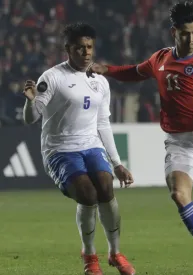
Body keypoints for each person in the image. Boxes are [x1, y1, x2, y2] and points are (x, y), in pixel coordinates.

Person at [85, 1, 193, 268]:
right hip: (179, 142)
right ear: (174, 32)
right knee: (179, 194)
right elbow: (135, 72)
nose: (192, 39)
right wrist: (108, 70)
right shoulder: (160, 59)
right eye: (186, 33)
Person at [22, 22, 135, 275]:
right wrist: (31, 103)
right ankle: (89, 254)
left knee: (106, 187)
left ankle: (115, 253)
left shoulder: (100, 82)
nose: (86, 53)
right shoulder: (52, 77)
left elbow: (103, 123)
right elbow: (31, 118)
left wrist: (117, 163)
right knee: (87, 194)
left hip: (91, 145)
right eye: (80, 48)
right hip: (59, 150)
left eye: (89, 47)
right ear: (68, 50)